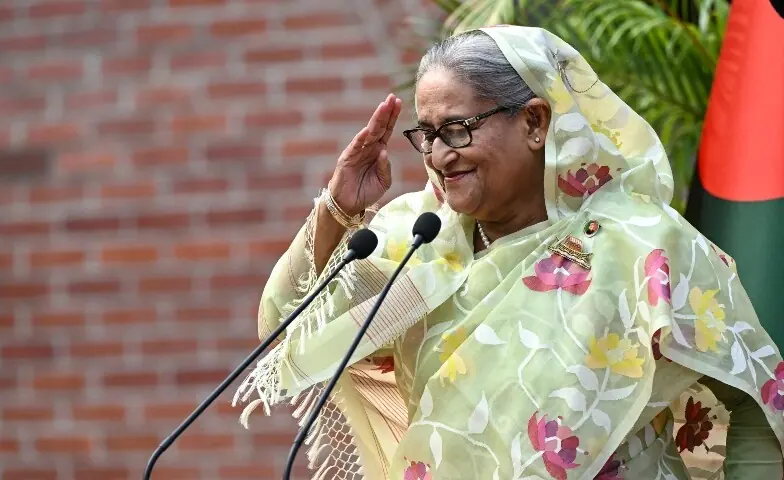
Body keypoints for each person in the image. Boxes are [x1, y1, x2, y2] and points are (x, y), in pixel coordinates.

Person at [233, 26, 784, 480]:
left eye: (457, 129)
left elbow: (754, 403)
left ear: (535, 122)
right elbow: (288, 329)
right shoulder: (415, 241)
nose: (439, 155)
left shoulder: (642, 243)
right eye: (425, 135)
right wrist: (336, 208)